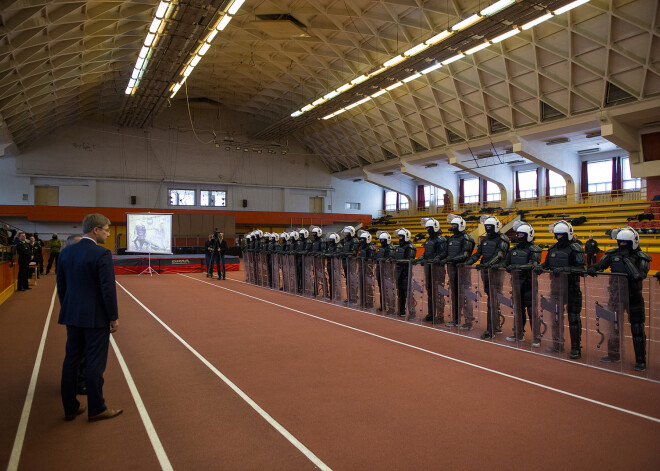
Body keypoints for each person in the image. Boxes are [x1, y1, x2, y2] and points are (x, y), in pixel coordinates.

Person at [57, 213, 122, 422]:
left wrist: (68, 308)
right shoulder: (101, 254)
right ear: (95, 230)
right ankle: (97, 408)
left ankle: (70, 407)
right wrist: (113, 316)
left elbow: (62, 286)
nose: (108, 233)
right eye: (106, 229)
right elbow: (108, 289)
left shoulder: (66, 253)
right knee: (95, 362)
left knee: (71, 360)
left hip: (72, 314)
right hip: (95, 317)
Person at [587, 227, 650, 371]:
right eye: (620, 242)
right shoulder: (613, 254)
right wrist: (593, 268)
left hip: (634, 297)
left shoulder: (642, 257)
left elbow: (638, 275)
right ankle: (613, 355)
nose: (622, 245)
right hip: (615, 295)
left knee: (637, 328)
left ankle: (641, 360)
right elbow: (601, 265)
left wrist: (626, 260)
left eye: (625, 242)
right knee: (613, 325)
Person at [534, 220, 586, 359]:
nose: (558, 237)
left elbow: (582, 269)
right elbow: (547, 264)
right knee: (555, 316)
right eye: (557, 235)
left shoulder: (576, 248)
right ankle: (557, 343)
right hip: (556, 288)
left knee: (573, 318)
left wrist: (565, 270)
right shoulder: (552, 249)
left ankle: (576, 347)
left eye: (561, 235)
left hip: (572, 288)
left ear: (568, 234)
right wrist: (541, 267)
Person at [462, 215, 509, 339]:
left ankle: (492, 328)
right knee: (491, 298)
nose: (488, 229)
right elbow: (478, 254)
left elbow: (500, 255)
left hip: (495, 272)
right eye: (487, 227)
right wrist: (468, 262)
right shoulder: (484, 240)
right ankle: (495, 325)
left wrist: (488, 264)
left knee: (493, 300)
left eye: (490, 227)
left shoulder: (502, 239)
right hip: (486, 272)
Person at [500, 221, 542, 345]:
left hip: (529, 283)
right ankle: (518, 333)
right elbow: (505, 262)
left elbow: (533, 264)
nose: (519, 237)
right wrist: (500, 266)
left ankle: (536, 337)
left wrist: (516, 267)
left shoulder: (534, 249)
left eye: (522, 235)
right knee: (518, 309)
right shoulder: (513, 250)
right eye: (518, 234)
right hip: (516, 283)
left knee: (532, 310)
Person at [438, 215, 475, 327]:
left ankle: (468, 321)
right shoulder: (451, 239)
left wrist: (448, 259)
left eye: (455, 225)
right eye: (452, 225)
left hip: (462, 269)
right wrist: (439, 258)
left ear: (461, 226)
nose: (453, 227)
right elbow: (446, 252)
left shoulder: (467, 239)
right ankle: (456, 319)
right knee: (454, 295)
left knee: (466, 295)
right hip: (452, 269)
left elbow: (465, 254)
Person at [412, 218, 447, 322]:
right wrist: (419, 259)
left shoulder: (441, 240)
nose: (427, 230)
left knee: (438, 291)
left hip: (437, 268)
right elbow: (426, 253)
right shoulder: (428, 240)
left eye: (429, 228)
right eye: (427, 228)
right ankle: (431, 313)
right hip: (429, 267)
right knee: (430, 290)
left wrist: (437, 258)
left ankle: (440, 315)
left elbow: (443, 253)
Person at [392, 228, 416, 317]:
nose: (400, 238)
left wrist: (398, 261)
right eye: (399, 237)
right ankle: (401, 310)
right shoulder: (398, 248)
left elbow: (409, 259)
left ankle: (412, 312)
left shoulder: (410, 247)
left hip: (406, 273)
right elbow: (395, 257)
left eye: (401, 237)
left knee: (408, 293)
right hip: (398, 273)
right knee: (400, 293)